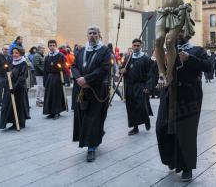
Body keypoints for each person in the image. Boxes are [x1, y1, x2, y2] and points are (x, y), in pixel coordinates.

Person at [156, 27, 211, 182]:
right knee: (162, 128)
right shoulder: (168, 50)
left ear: (189, 34)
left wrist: (190, 59)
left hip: (189, 94)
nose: (179, 34)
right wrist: (160, 80)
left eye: (182, 31)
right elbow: (159, 70)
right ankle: (171, 159)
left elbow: (208, 67)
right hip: (168, 94)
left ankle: (187, 167)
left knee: (186, 131)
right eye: (176, 31)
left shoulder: (197, 50)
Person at [72, 26, 111, 162]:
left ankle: (91, 148)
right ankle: (95, 136)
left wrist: (87, 79)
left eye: (95, 33)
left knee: (93, 118)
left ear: (99, 36)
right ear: (87, 35)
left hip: (97, 89)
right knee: (83, 116)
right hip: (82, 89)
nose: (92, 36)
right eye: (90, 33)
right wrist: (79, 80)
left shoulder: (105, 50)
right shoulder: (81, 51)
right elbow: (74, 66)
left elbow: (104, 69)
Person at [120, 39, 153, 135]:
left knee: (142, 105)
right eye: (134, 45)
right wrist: (122, 71)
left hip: (140, 85)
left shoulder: (146, 59)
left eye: (138, 45)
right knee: (131, 106)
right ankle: (135, 127)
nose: (136, 47)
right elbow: (122, 69)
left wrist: (148, 86)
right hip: (129, 85)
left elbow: (149, 74)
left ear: (141, 46)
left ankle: (146, 120)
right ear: (132, 46)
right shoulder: (127, 58)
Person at [0, 46, 31, 130]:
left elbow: (22, 77)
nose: (14, 54)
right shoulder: (12, 62)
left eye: (16, 53)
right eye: (13, 53)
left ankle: (20, 123)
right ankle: (14, 122)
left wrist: (15, 87)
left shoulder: (23, 63)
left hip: (19, 88)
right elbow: (9, 74)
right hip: (11, 87)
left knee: (19, 105)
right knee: (11, 105)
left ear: (21, 53)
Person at [43, 40, 67, 120]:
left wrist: (62, 79)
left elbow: (63, 67)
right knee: (49, 95)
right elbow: (45, 70)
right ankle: (50, 112)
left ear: (56, 46)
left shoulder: (60, 55)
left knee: (56, 95)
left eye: (53, 45)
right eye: (50, 45)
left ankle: (57, 111)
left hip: (57, 77)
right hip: (49, 78)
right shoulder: (47, 57)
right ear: (48, 47)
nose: (52, 47)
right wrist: (45, 80)